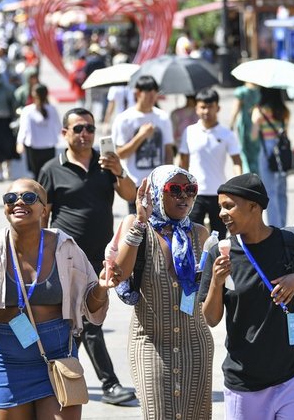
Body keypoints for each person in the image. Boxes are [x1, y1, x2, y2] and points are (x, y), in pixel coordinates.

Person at [0, 178, 117, 418]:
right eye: (11, 198)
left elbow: (89, 305)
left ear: (44, 209)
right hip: (9, 359)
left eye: (29, 198)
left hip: (58, 354)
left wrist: (102, 288)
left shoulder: (65, 247)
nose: (19, 202)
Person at [200, 173, 294, 419]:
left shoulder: (291, 242)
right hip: (245, 382)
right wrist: (217, 283)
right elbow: (210, 318)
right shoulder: (219, 253)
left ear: (254, 206)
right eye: (220, 207)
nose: (221, 214)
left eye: (228, 206)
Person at [37, 107, 137, 405]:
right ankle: (108, 384)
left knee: (83, 319)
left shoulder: (106, 164)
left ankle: (56, 375)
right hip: (65, 257)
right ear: (64, 133)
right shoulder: (51, 169)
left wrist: (118, 170)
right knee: (87, 321)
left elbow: (131, 196)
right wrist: (40, 254)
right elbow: (43, 214)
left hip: (100, 258)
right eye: (78, 128)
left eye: (89, 129)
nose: (84, 135)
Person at [114, 165, 214, 419]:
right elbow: (120, 274)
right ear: (158, 192)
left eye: (190, 190)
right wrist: (140, 221)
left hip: (195, 344)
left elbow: (209, 297)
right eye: (175, 190)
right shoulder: (138, 226)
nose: (184, 196)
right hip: (151, 344)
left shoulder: (200, 234)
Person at [179, 88, 243, 239]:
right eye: (202, 107)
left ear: (217, 108)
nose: (206, 111)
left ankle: (217, 262)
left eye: (210, 107)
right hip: (194, 193)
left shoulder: (226, 133)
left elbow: (236, 161)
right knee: (192, 235)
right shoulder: (189, 132)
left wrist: (237, 185)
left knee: (219, 237)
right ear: (196, 108)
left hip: (219, 194)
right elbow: (182, 162)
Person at [113, 75, 174, 213]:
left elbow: (168, 150)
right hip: (134, 182)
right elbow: (120, 153)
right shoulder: (124, 119)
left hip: (158, 184)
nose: (152, 97)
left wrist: (169, 177)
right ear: (137, 93)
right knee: (138, 225)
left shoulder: (162, 117)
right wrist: (141, 136)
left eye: (155, 93)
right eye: (148, 93)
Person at [251, 87, 290, 228]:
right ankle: (283, 224)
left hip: (267, 151)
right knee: (281, 191)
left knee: (270, 191)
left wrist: (256, 120)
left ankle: (275, 226)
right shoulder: (284, 110)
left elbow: (253, 135)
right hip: (281, 150)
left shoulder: (259, 111)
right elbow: (285, 132)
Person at [16, 84, 61, 180]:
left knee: (45, 174)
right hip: (38, 146)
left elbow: (58, 126)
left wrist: (20, 142)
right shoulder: (29, 110)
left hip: (44, 146)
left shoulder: (50, 109)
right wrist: (20, 142)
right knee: (39, 174)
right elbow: (24, 128)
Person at [229, 82, 261, 173]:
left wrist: (231, 124)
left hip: (244, 123)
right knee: (254, 152)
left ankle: (247, 174)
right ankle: (256, 174)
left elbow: (235, 109)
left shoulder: (241, 91)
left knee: (244, 151)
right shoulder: (258, 91)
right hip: (255, 123)